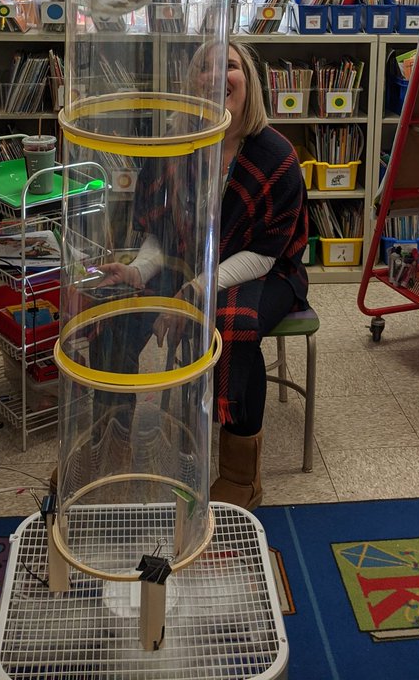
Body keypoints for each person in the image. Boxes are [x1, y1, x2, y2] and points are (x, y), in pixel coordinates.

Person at [98, 40, 309, 509]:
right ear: (188, 86)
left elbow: (266, 252)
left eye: (229, 67)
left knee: (233, 324)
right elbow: (160, 234)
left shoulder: (276, 156)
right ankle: (109, 442)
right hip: (186, 264)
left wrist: (197, 290)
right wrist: (138, 271)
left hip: (263, 271)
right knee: (112, 306)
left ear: (248, 82)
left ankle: (240, 473)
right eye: (203, 69)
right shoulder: (172, 147)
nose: (215, 77)